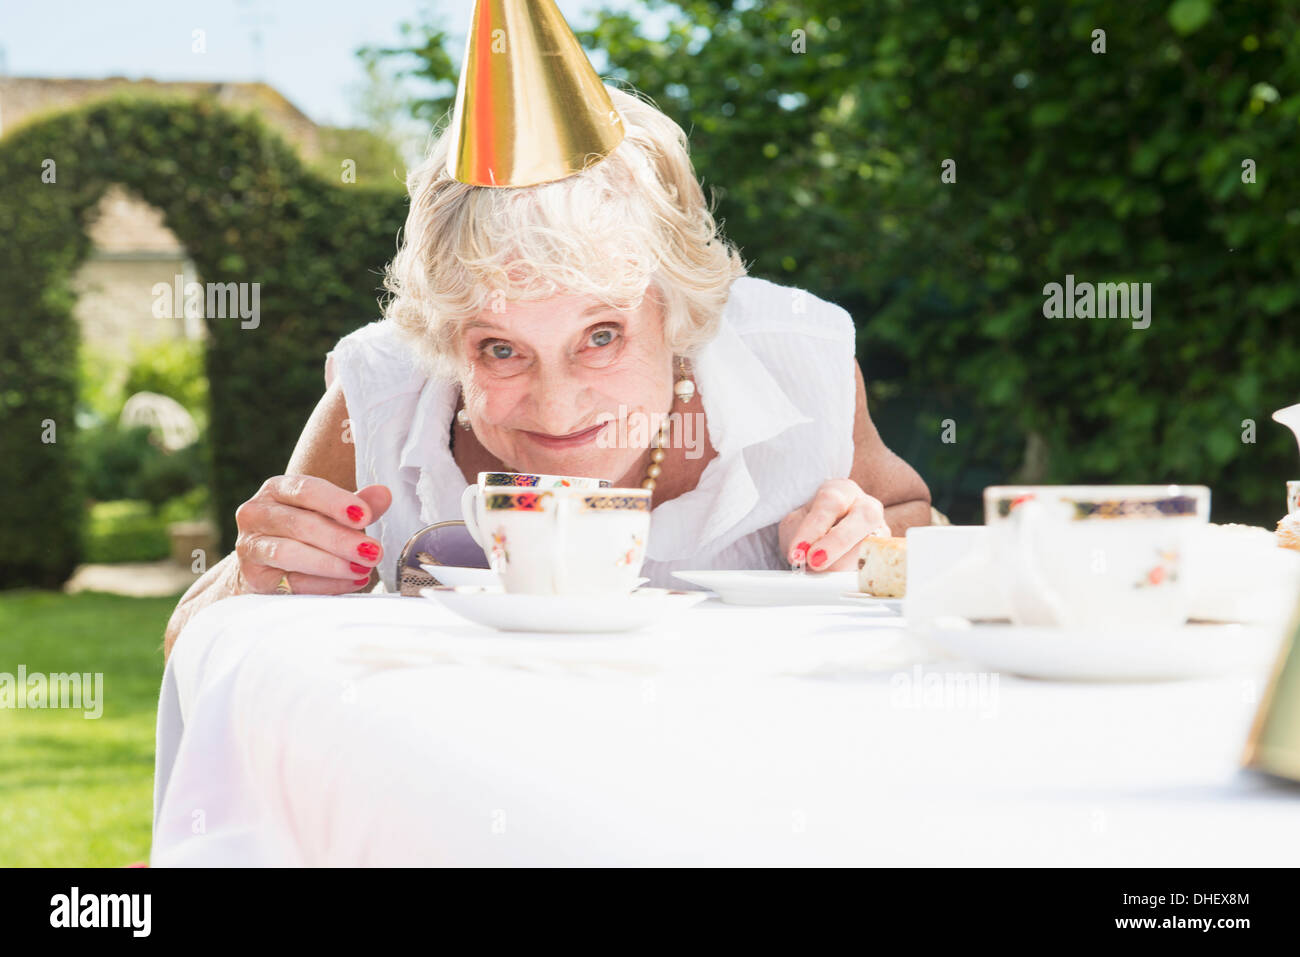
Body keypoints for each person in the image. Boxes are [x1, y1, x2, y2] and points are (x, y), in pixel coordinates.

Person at [163, 6, 930, 660]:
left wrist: (876, 553)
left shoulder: (797, 363)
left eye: (601, 335)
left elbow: (927, 540)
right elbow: (187, 646)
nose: (558, 412)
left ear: (679, 308)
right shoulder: (380, 398)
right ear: (443, 337)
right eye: (499, 348)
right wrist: (254, 575)